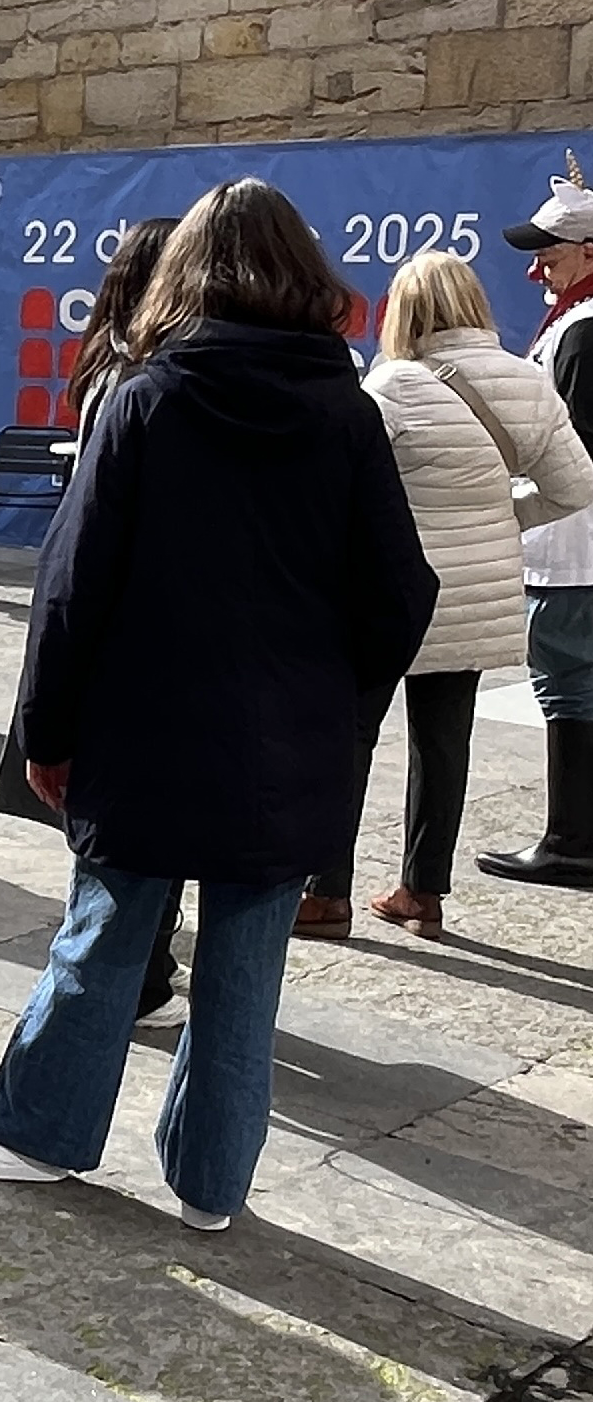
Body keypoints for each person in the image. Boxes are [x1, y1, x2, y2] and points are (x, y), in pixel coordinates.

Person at [0, 180, 436, 1230]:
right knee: (247, 971)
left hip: (145, 726)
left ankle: (37, 1132)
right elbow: (401, 591)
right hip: (289, 738)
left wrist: (48, 735)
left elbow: (74, 584)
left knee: (103, 940)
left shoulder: (149, 397)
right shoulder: (345, 410)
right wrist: (340, 699)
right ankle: (211, 1184)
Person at [299, 250, 593, 938]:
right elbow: (576, 485)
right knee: (444, 740)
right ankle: (422, 892)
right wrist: (501, 514)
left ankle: (326, 892)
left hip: (386, 588)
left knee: (351, 736)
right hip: (477, 590)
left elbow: (345, 488)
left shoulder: (392, 385)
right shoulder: (526, 379)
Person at [0, 217, 185, 1027]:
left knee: (116, 820)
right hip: (120, 611)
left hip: (102, 604)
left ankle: (141, 963)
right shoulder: (139, 375)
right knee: (119, 828)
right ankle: (133, 973)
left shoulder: (113, 362)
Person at [478, 169, 593, 888]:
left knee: (569, 687)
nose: (535, 267)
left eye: (550, 251)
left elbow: (575, 452)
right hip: (572, 541)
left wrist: (510, 483)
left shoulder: (582, 331)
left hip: (572, 545)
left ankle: (572, 838)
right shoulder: (575, 326)